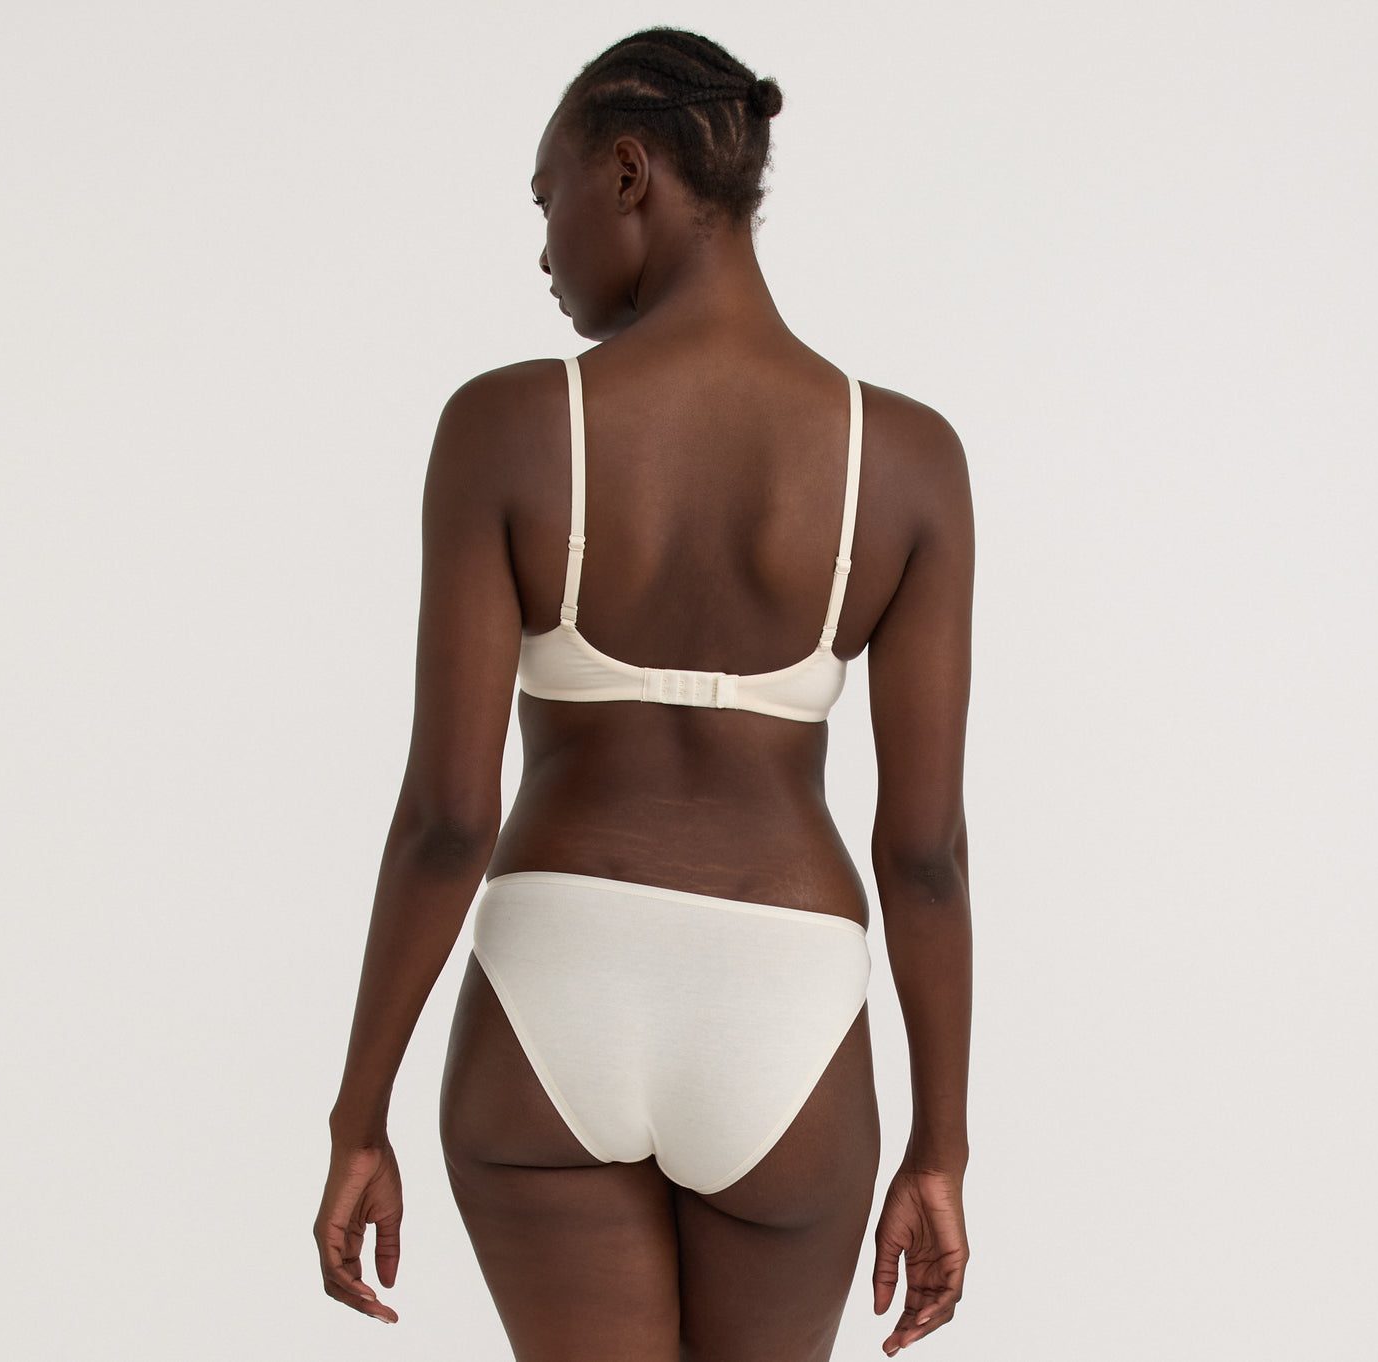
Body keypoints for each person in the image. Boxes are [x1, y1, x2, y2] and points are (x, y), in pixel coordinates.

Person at [314, 25, 974, 1361]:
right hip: (786, 1007)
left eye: (544, 198)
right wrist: (939, 1148)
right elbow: (924, 854)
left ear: (627, 174)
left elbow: (447, 819)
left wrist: (357, 1116)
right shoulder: (907, 460)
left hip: (553, 990)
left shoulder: (505, 427)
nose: (543, 248)